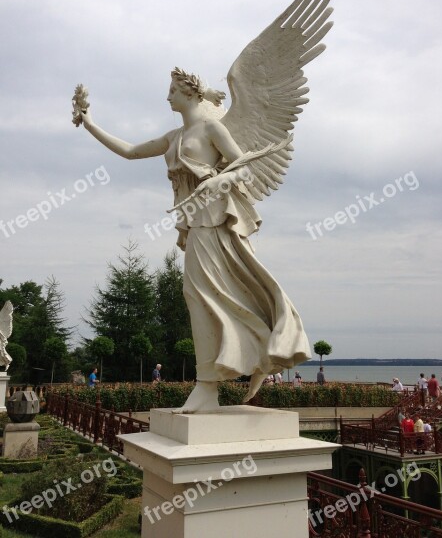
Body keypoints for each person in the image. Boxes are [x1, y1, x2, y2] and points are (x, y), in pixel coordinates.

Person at [80, 67, 311, 412]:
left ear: (190, 93)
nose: (168, 96)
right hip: (196, 226)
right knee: (202, 295)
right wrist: (89, 123)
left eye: (172, 90)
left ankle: (209, 385)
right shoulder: (173, 137)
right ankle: (250, 359)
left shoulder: (212, 128)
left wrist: (219, 181)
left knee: (208, 293)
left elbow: (243, 167)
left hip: (217, 221)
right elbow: (129, 151)